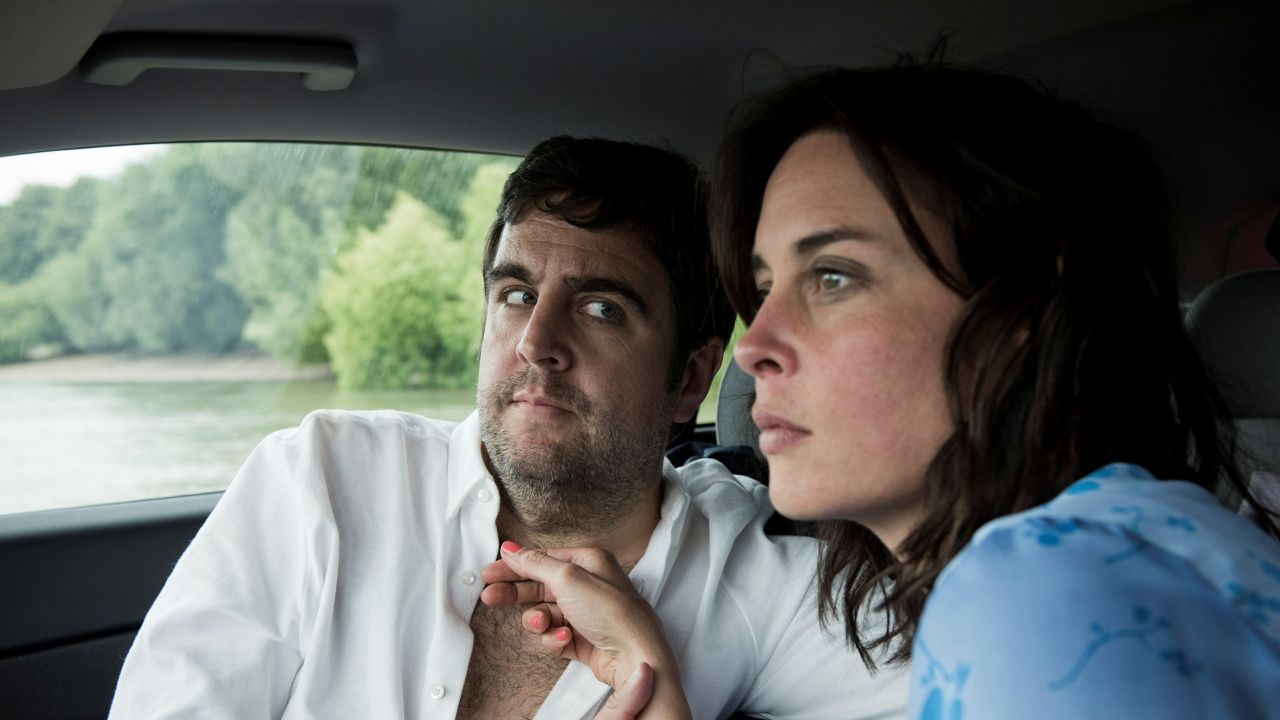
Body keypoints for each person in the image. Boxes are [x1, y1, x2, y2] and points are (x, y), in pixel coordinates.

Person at [481, 61, 1280, 718]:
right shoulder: (1136, 546)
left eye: (833, 277)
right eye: (765, 288)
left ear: (1017, 320)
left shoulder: (1046, 595)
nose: (753, 347)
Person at [108, 136, 908, 719]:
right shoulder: (319, 478)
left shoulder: (762, 575)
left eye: (602, 309)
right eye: (517, 294)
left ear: (692, 377)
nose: (535, 342)